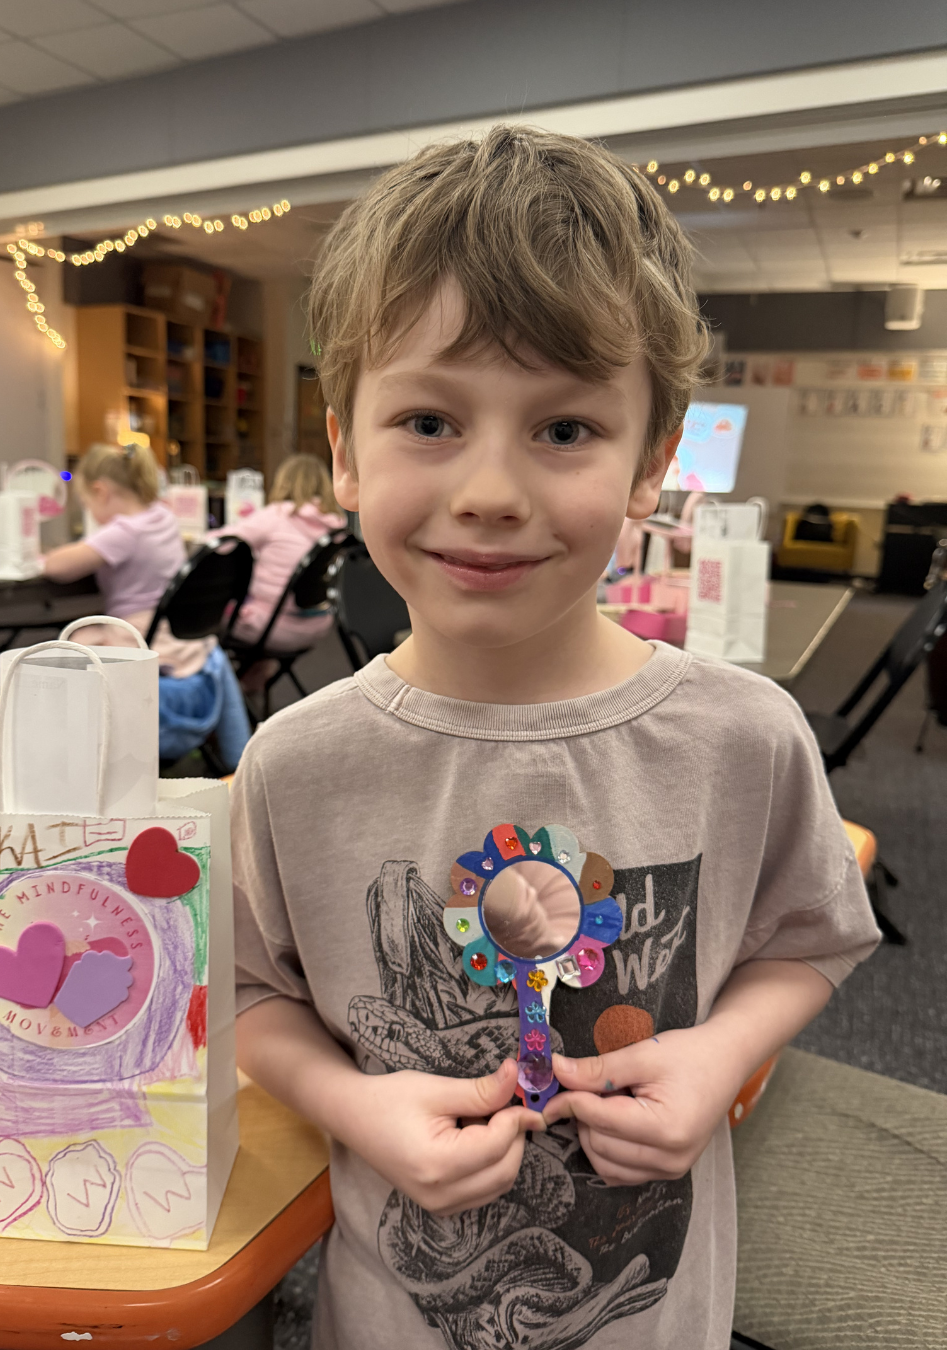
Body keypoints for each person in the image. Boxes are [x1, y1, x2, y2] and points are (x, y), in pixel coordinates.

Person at [229, 127, 881, 1350]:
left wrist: (720, 1059)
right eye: (428, 420)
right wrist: (352, 1108)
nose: (489, 488)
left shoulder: (744, 738)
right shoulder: (294, 763)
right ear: (342, 452)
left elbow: (810, 938)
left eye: (564, 430)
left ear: (652, 464)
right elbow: (257, 996)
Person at [42, 442, 249, 768]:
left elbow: (57, 567)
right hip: (180, 630)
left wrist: (46, 554)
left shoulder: (123, 531)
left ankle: (66, 749)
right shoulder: (162, 516)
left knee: (68, 645)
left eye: (86, 501)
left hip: (139, 632)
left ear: (101, 491)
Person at [209, 452, 345, 658]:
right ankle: (255, 680)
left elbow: (220, 544)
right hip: (317, 624)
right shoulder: (335, 524)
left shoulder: (277, 515)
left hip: (269, 626)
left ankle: (223, 685)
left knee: (200, 615)